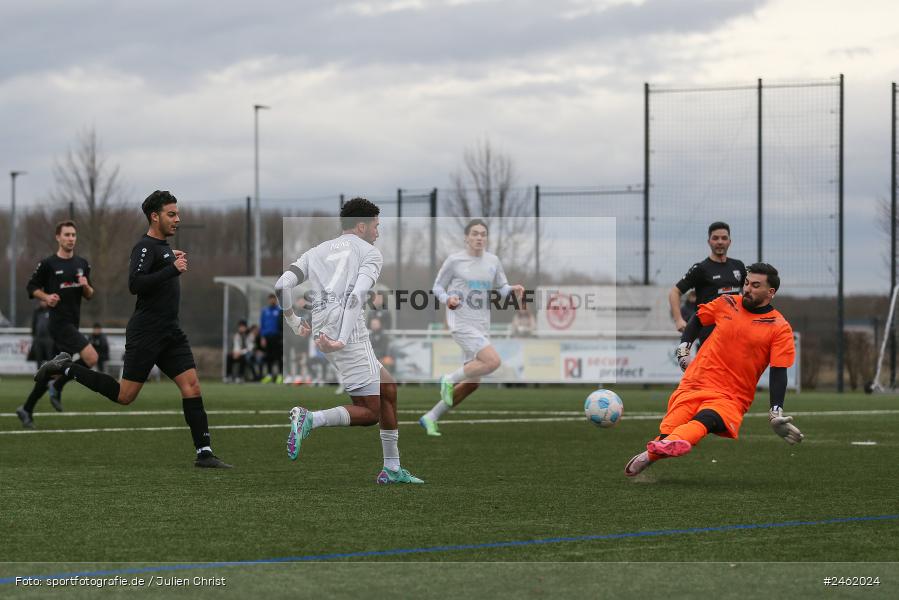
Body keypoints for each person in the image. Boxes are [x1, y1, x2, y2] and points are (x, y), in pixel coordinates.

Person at [34, 190, 231, 468]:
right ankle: (65, 367)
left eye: (177, 213)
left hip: (170, 332)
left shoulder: (162, 248)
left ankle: (204, 453)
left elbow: (158, 266)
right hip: (146, 332)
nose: (178, 219)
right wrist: (172, 268)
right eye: (171, 214)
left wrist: (167, 261)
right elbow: (135, 284)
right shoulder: (144, 247)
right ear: (155, 216)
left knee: (192, 386)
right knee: (125, 396)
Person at [275, 197, 423, 484]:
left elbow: (282, 285)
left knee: (388, 387)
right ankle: (310, 419)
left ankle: (392, 468)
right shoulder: (369, 253)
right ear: (361, 226)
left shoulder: (315, 251)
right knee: (370, 411)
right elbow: (356, 296)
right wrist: (342, 339)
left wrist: (294, 322)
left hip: (322, 326)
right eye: (376, 226)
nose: (378, 232)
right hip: (347, 332)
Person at [625, 263, 803, 477]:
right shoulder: (727, 302)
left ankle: (668, 443)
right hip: (695, 382)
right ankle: (653, 452)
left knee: (706, 420)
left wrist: (776, 412)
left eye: (755, 285)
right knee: (667, 434)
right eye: (746, 283)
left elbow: (779, 371)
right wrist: (684, 348)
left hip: (731, 396)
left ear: (770, 292)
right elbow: (698, 319)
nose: (747, 289)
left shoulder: (779, 327)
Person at [418, 219, 524, 437]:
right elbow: (437, 286)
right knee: (493, 361)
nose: (479, 238)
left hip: (482, 324)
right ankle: (448, 379)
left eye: (483, 234)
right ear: (466, 238)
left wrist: (511, 289)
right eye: (475, 234)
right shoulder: (454, 261)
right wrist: (447, 299)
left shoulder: (493, 261)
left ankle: (431, 416)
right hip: (461, 322)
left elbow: (501, 288)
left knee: (472, 383)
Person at [16, 221, 96, 427]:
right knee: (91, 356)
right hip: (59, 324)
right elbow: (31, 287)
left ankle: (26, 408)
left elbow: (89, 295)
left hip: (73, 323)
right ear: (58, 237)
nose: (71, 238)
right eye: (67, 235)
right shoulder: (48, 264)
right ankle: (58, 387)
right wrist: (46, 296)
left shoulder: (82, 264)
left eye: (73, 235)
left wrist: (86, 286)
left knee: (53, 369)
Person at [668, 221, 745, 343]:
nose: (720, 242)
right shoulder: (701, 269)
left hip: (736, 330)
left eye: (724, 238)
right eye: (715, 238)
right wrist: (678, 320)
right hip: (709, 333)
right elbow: (674, 292)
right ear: (709, 241)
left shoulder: (738, 266)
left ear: (729, 242)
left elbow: (749, 293)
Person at [259, 294, 283, 383]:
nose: (272, 301)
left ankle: (280, 375)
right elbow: (262, 325)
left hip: (276, 337)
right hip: (267, 337)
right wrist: (262, 338)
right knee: (268, 357)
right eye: (270, 299)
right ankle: (269, 375)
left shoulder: (279, 310)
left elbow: (282, 325)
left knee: (278, 357)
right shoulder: (264, 311)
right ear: (268, 300)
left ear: (275, 300)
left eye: (273, 299)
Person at [28, 300, 55, 367]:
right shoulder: (37, 311)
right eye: (41, 301)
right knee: (38, 357)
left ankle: (50, 373)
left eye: (44, 301)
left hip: (49, 338)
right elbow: (34, 324)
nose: (43, 302)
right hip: (38, 338)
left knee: (50, 357)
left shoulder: (52, 311)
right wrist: (34, 336)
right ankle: (39, 374)